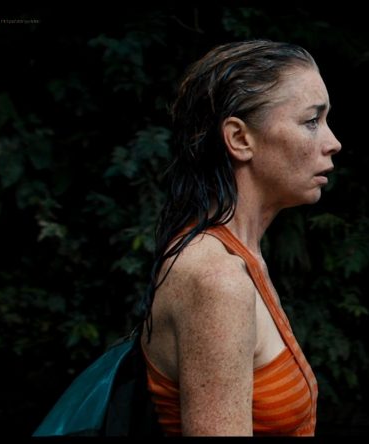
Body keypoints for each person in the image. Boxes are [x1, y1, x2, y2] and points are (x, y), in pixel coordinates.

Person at [138, 39, 341, 436]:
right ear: (240, 139)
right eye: (311, 121)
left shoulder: (240, 257)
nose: (333, 142)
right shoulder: (217, 280)